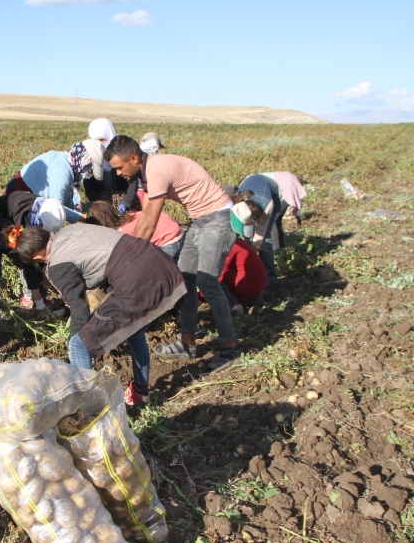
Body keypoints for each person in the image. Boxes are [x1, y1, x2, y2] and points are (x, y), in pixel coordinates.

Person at [104, 135, 239, 372]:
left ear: (134, 158)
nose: (117, 174)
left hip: (218, 219)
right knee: (184, 281)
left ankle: (229, 347)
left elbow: (150, 224)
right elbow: (145, 215)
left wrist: (127, 260)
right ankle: (187, 344)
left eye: (119, 167)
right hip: (199, 221)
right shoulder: (146, 173)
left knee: (208, 283)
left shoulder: (155, 170)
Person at [12, 224, 186, 406]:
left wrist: (76, 340)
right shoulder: (69, 231)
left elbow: (79, 308)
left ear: (35, 257)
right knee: (135, 333)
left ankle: (89, 408)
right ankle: (140, 392)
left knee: (79, 344)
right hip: (160, 263)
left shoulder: (57, 265)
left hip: (136, 280)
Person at [0, 193, 69, 311]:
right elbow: (28, 262)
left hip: (12, 229)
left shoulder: (50, 212)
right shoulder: (27, 219)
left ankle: (40, 300)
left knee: (38, 262)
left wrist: (47, 270)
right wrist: (40, 304)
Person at [4, 141, 104, 221]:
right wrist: (84, 218)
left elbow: (65, 198)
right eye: (90, 169)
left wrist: (79, 216)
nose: (88, 173)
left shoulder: (66, 162)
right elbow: (56, 210)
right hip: (18, 199)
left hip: (24, 197)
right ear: (84, 160)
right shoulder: (62, 170)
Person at [86, 196, 184, 261]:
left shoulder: (121, 232)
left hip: (169, 240)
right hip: (176, 229)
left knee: (168, 275)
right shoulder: (130, 215)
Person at [235, 174, 284, 283]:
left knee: (265, 240)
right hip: (249, 185)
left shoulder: (267, 205)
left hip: (271, 193)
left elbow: (260, 236)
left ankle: (269, 276)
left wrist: (254, 248)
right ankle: (246, 272)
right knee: (246, 237)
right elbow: (237, 230)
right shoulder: (237, 204)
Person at [84, 119, 141, 212]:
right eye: (96, 141)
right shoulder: (89, 156)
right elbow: (88, 184)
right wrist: (98, 203)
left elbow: (133, 182)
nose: (99, 144)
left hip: (127, 202)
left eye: (102, 140)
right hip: (102, 204)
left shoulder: (122, 152)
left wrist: (126, 203)